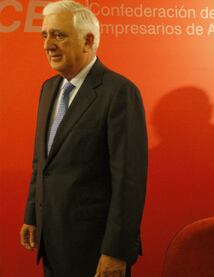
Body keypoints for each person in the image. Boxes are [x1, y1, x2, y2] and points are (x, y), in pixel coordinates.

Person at [19, 1, 147, 276]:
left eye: (59, 35)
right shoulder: (49, 89)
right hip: (51, 242)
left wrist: (116, 251)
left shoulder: (119, 92)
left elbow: (129, 182)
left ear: (88, 41)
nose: (47, 45)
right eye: (44, 35)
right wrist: (32, 215)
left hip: (96, 250)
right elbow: (42, 162)